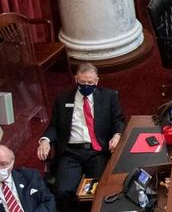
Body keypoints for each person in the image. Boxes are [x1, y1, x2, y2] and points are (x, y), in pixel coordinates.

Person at [37, 63, 125, 199]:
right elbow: (54, 125)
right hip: (71, 152)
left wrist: (117, 135)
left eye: (90, 83)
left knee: (98, 189)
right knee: (62, 191)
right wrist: (45, 140)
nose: (86, 86)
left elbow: (118, 120)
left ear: (97, 81)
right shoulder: (63, 98)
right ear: (76, 79)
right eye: (82, 82)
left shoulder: (109, 96)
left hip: (97, 151)